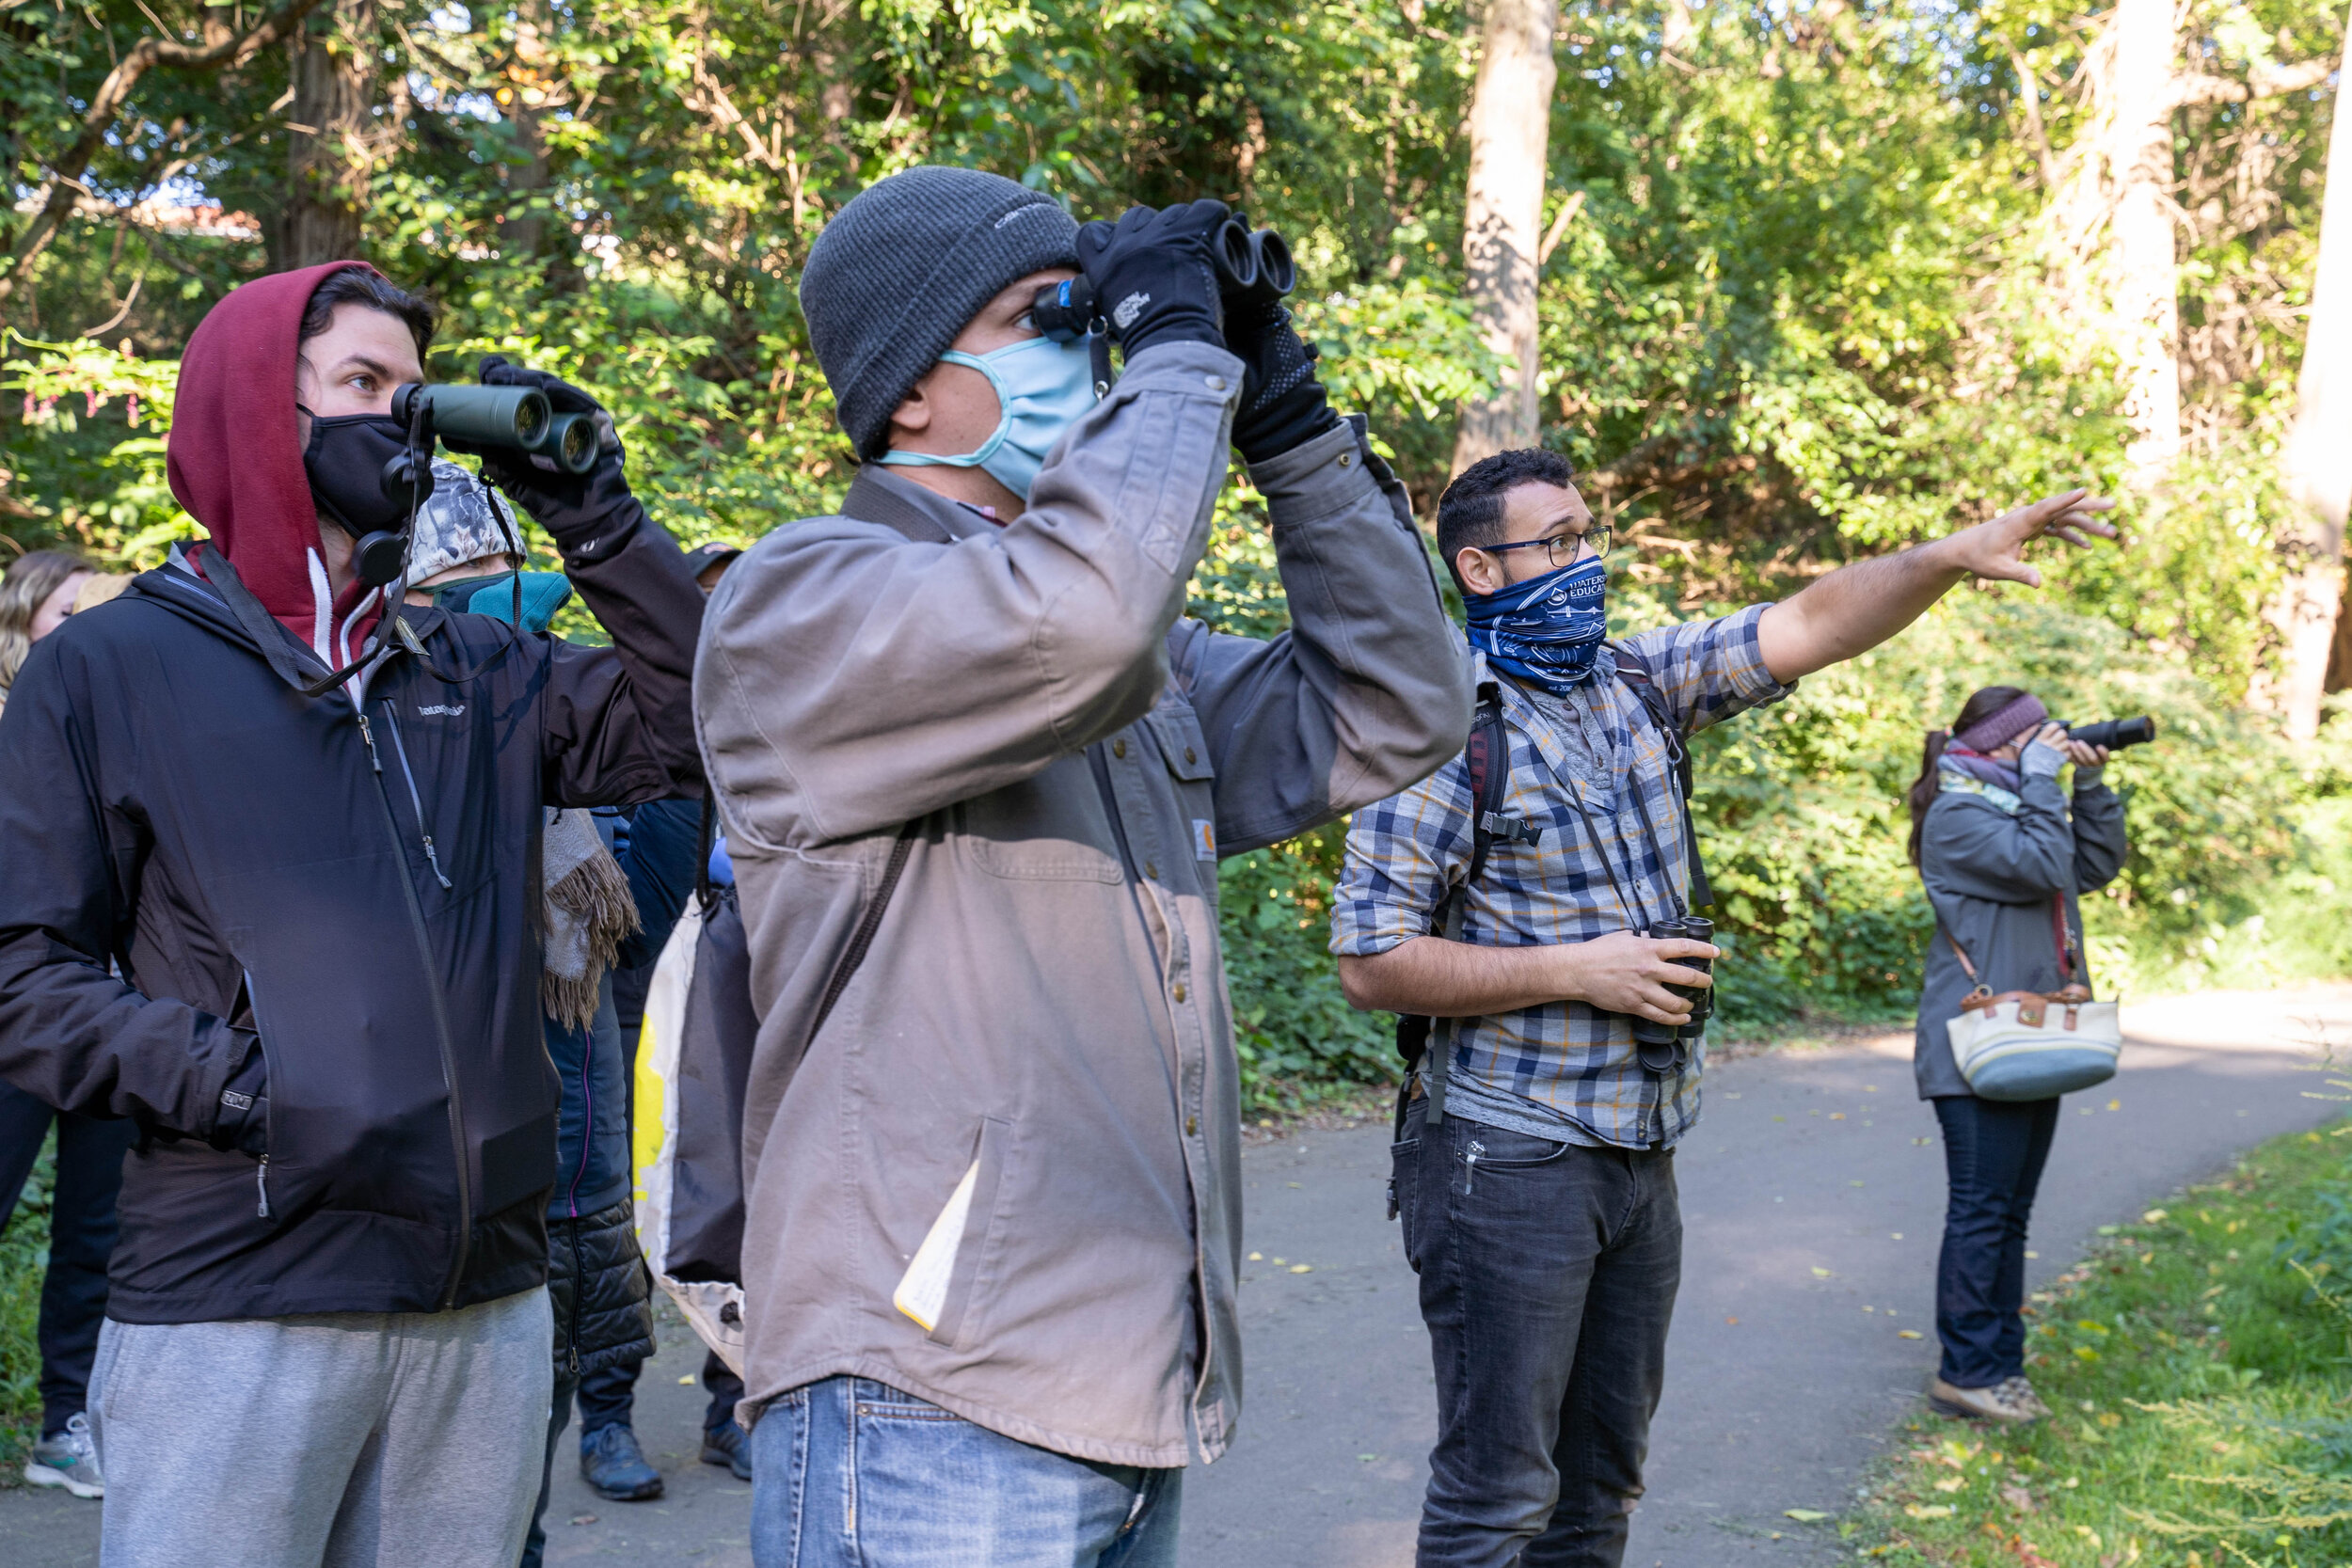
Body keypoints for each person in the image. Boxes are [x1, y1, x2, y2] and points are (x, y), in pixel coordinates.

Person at [693, 166, 1473, 1564]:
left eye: (1093, 320)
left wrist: (1284, 419)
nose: (1090, 353)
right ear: (910, 389)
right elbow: (1080, 622)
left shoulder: (1119, 659)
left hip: (1120, 1384)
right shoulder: (802, 601)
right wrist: (1173, 354)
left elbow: (1401, 703)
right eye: (1052, 317)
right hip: (922, 1391)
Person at [0, 261, 706, 1568]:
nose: (404, 422)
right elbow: (21, 972)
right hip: (240, 1295)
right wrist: (259, 1089)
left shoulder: (475, 662)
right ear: (264, 416)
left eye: (413, 392)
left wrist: (599, 522)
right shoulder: (104, 668)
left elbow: (711, 725)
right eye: (363, 386)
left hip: (478, 1300)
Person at [1330, 445, 2118, 1568]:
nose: (1582, 561)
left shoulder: (1639, 682)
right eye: (1553, 542)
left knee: (1600, 1486)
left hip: (1640, 1152)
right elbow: (1369, 958)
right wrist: (1577, 968)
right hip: (1503, 1160)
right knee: (1498, 1493)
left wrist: (1949, 556)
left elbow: (1813, 620)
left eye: (1587, 534)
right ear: (1480, 567)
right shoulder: (1438, 731)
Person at [392, 466, 703, 1549]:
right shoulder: (407, 730)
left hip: (593, 1055)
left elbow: (652, 912)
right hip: (476, 1103)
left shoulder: (576, 718)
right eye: (463, 576)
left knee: (598, 1232)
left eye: (501, 567)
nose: (497, 591)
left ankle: (605, 1413)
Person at [1907, 687, 2126, 1422]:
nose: (2052, 750)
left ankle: (2001, 1364)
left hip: (2033, 1031)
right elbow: (2039, 866)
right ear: (2004, 744)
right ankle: (1966, 1371)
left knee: (2011, 1214)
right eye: (2038, 739)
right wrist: (2042, 781)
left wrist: (2087, 784)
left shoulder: (2020, 808)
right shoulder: (1959, 815)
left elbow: (2084, 866)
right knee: (1981, 1211)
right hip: (1978, 1042)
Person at [584, 535, 755, 1483]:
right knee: (622, 1211)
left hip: (745, 996)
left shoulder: (796, 719)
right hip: (629, 1000)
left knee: (747, 1204)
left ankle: (731, 1407)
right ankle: (604, 1416)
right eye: (706, 602)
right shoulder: (627, 718)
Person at [0, 549, 133, 1498]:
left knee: (99, 1227)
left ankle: (65, 1424)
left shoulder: (134, 731)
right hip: (14, 1012)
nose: (88, 627)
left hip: (114, 1010)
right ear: (22, 629)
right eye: (67, 610)